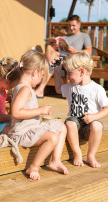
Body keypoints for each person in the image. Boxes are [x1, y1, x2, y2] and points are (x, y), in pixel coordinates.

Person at [9, 50, 69, 180]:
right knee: (52, 138)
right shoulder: (25, 89)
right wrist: (40, 111)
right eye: (42, 76)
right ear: (35, 72)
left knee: (62, 127)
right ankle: (34, 166)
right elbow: (16, 112)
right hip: (22, 133)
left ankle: (56, 160)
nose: (41, 79)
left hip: (32, 127)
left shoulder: (23, 87)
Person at [54, 52, 108, 168]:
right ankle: (77, 153)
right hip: (74, 125)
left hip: (88, 126)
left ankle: (91, 155)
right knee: (70, 122)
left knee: (97, 125)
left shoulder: (96, 89)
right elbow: (58, 90)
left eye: (70, 73)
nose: (68, 77)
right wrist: (56, 72)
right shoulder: (71, 86)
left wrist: (93, 117)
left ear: (82, 71)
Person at [34, 15, 92, 98]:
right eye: (69, 25)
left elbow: (89, 51)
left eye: (73, 25)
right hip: (60, 58)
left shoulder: (84, 36)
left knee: (54, 63)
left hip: (73, 59)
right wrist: (55, 46)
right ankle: (50, 67)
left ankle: (40, 89)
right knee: (49, 48)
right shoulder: (64, 37)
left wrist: (75, 51)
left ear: (79, 25)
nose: (71, 28)